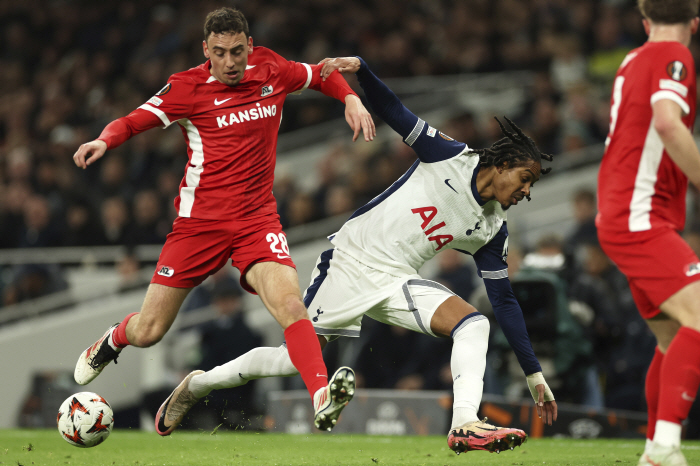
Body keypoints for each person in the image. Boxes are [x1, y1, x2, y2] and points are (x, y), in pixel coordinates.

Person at [161, 55, 559, 454]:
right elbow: (394, 111)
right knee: (287, 360)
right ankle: (199, 384)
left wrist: (533, 373)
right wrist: (363, 71)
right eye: (525, 179)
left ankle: (464, 425)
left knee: (474, 325)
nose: (526, 192)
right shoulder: (450, 157)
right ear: (503, 165)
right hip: (350, 263)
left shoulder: (492, 229)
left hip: (396, 280)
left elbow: (504, 300)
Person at [70, 7, 376, 433]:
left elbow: (321, 73)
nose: (230, 62)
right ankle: (112, 340)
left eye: (236, 51)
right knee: (150, 330)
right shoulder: (187, 87)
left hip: (257, 219)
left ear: (250, 46)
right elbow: (135, 119)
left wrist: (351, 97)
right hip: (199, 225)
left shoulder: (271, 67)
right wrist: (105, 140)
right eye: (219, 53)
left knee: (291, 305)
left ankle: (321, 395)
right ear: (206, 51)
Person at [596, 1, 700, 464]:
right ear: (695, 23)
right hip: (640, 217)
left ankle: (654, 451)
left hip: (623, 211)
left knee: (671, 337)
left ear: (644, 22)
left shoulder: (632, 59)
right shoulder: (674, 54)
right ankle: (665, 448)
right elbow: (666, 122)